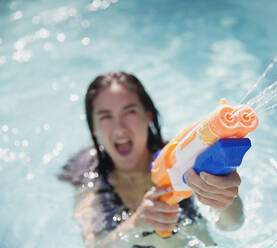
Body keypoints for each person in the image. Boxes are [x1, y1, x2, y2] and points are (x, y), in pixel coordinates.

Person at [59, 72, 245, 248]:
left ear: (148, 116)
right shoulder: (88, 172)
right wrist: (134, 224)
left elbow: (230, 224)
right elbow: (93, 244)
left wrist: (225, 198)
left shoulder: (180, 158)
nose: (119, 128)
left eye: (129, 112)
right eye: (106, 116)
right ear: (93, 127)